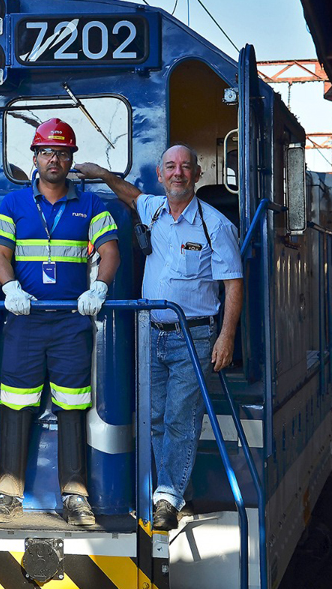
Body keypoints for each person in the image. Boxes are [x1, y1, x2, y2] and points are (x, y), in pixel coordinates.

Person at [76, 144, 244, 531]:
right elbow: (130, 195)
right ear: (160, 174)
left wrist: (227, 337)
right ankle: (159, 489)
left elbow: (233, 285)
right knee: (153, 416)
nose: (178, 173)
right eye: (171, 167)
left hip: (193, 335)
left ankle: (169, 496)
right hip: (150, 333)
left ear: (198, 175)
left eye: (186, 166)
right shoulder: (154, 210)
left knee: (179, 419)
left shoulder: (215, 225)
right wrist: (102, 173)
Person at [0, 118, 120, 526]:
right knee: (15, 403)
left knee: (72, 405)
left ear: (71, 159)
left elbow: (110, 252)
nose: (54, 159)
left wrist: (100, 288)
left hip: (71, 322)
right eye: (47, 152)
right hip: (25, 321)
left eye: (61, 153)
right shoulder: (13, 204)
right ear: (35, 158)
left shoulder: (91, 204)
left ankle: (75, 496)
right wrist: (9, 288)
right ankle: (8, 492)